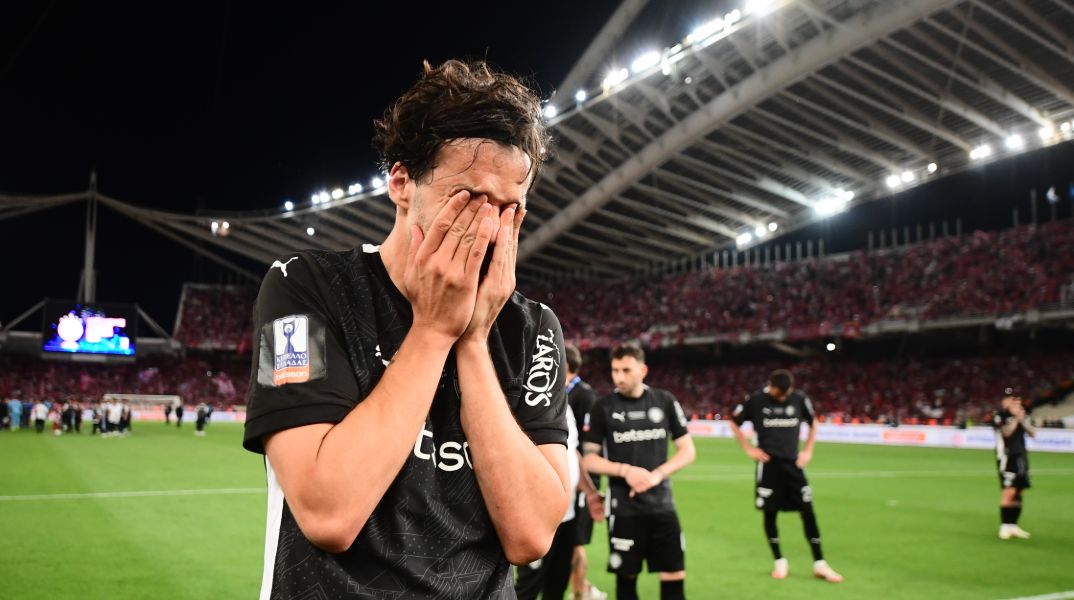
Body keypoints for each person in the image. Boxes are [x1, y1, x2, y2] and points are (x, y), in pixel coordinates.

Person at [242, 59, 570, 599]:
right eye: (469, 199)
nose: (488, 228)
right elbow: (328, 513)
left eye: (510, 208)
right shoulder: (304, 289)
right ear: (401, 183)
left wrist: (472, 341)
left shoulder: (533, 328)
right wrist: (436, 330)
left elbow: (531, 534)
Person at [581, 342, 696, 600]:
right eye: (615, 370)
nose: (619, 377)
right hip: (624, 509)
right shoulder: (602, 407)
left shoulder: (664, 401)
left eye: (626, 370)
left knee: (674, 574)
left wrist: (657, 475)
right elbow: (589, 460)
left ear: (643, 370)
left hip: (662, 505)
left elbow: (688, 451)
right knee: (627, 578)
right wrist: (626, 471)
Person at [728, 369, 843, 583]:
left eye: (784, 394)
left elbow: (813, 422)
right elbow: (734, 422)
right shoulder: (756, 400)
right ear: (770, 386)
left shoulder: (799, 399)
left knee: (808, 511)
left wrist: (808, 450)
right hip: (768, 466)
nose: (781, 397)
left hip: (793, 465)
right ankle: (779, 561)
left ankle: (820, 563)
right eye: (778, 393)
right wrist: (748, 449)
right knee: (770, 513)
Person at [565, 343, 607, 600]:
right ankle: (583, 588)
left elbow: (589, 445)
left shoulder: (585, 396)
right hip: (568, 478)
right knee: (568, 540)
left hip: (582, 481)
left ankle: (580, 592)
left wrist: (587, 484)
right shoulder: (567, 393)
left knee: (575, 541)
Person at [993, 392, 1035, 540]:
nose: (1014, 402)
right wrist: (1016, 418)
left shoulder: (1023, 415)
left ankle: (1013, 525)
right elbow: (1006, 433)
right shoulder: (1000, 416)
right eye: (1011, 399)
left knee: (1019, 493)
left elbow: (1033, 433)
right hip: (1007, 458)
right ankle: (1004, 526)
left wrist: (1023, 419)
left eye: (1016, 400)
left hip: (1021, 458)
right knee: (1009, 492)